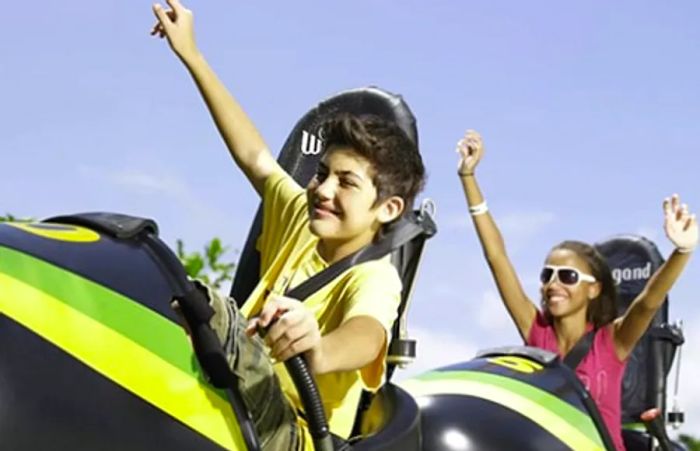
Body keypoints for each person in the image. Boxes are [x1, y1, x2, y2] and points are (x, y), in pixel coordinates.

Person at [150, 1, 426, 449]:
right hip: (237, 396)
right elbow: (256, 157)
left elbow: (367, 334)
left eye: (346, 183)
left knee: (210, 311)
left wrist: (318, 348)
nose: (323, 190)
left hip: (293, 431)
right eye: (321, 174)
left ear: (388, 209)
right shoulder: (303, 217)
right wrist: (192, 55)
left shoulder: (374, 276)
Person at [456, 130, 697, 450]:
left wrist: (681, 252)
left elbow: (648, 302)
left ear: (594, 289)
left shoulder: (611, 341)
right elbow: (497, 257)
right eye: (547, 275)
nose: (553, 283)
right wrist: (468, 177)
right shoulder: (536, 332)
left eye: (567, 276)